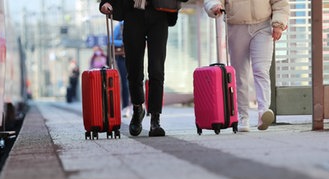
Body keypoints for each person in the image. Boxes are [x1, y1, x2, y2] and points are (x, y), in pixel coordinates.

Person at [100, 0, 188, 137]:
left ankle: (155, 118)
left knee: (156, 69)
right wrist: (106, 2)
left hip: (160, 12)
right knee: (134, 68)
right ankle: (137, 108)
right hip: (133, 12)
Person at [204, 0, 289, 132]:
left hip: (263, 26)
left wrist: (279, 23)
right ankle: (243, 116)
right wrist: (214, 5)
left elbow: (280, 2)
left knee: (261, 70)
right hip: (236, 26)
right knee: (239, 74)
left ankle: (263, 112)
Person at [113, 21, 132, 118]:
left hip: (135, 55)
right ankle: (125, 107)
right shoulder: (119, 25)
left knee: (136, 80)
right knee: (125, 82)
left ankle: (136, 105)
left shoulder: (136, 21)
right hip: (122, 57)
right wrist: (124, 41)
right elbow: (111, 40)